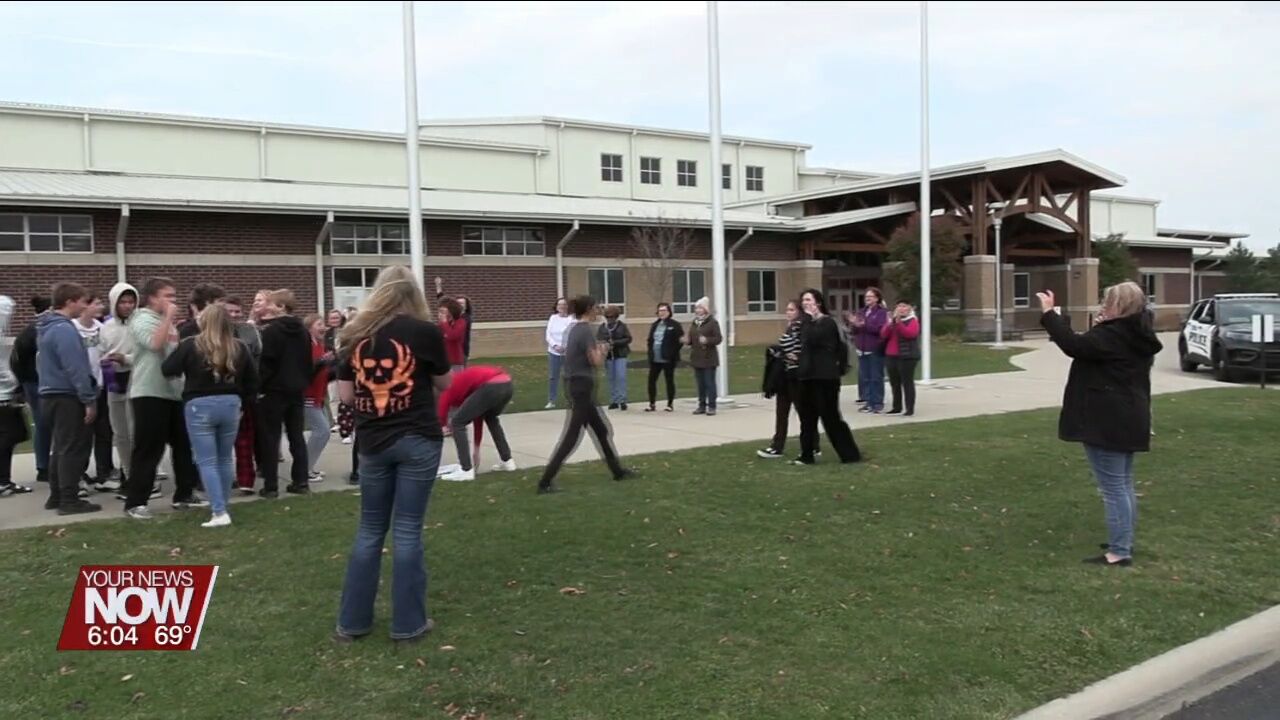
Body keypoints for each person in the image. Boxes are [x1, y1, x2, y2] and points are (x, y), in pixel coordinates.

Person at [334, 265, 451, 645]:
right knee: (407, 531)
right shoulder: (425, 333)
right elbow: (444, 383)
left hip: (372, 443)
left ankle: (352, 624)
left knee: (369, 531)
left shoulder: (354, 334)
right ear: (412, 294)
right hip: (417, 437)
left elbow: (347, 397)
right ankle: (408, 624)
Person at [1038, 283, 1162, 568]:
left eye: (1108, 302)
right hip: (1128, 416)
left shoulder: (1115, 335)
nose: (1102, 306)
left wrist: (1048, 314)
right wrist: (1099, 327)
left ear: (1120, 306)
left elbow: (1073, 345)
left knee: (1114, 487)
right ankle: (1123, 539)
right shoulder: (1134, 334)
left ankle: (1119, 551)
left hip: (1108, 420)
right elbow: (1090, 349)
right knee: (1123, 483)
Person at [162, 303, 258, 528]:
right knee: (224, 458)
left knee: (207, 460)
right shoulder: (239, 347)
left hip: (199, 404)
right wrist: (244, 402)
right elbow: (253, 381)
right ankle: (222, 504)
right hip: (231, 403)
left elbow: (168, 369)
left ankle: (219, 511)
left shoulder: (190, 345)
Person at [123, 277, 205, 519]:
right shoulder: (142, 319)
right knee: (149, 448)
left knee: (182, 446)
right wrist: (169, 318)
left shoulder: (167, 323)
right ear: (152, 298)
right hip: (150, 392)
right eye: (168, 296)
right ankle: (135, 502)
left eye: (174, 296)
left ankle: (184, 494)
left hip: (173, 392)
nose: (173, 301)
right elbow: (154, 345)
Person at [537, 295, 634, 494]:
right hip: (581, 386)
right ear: (588, 309)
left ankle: (617, 471)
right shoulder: (584, 331)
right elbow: (596, 361)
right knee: (571, 436)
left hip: (577, 385)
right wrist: (604, 348)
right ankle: (545, 482)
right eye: (596, 307)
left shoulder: (574, 330)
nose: (598, 310)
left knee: (601, 430)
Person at [36, 282, 101, 515]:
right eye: (83, 301)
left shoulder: (47, 328)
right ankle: (69, 499)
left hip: (49, 394)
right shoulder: (64, 330)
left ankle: (56, 496)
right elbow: (76, 367)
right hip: (66, 395)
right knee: (73, 448)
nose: (85, 306)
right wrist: (88, 399)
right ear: (70, 301)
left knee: (60, 447)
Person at [256, 289, 312, 498]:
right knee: (296, 436)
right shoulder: (303, 331)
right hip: (297, 389)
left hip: (273, 391)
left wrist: (260, 387)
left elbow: (267, 363)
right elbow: (307, 362)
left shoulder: (271, 332)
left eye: (271, 303)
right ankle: (301, 481)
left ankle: (270, 486)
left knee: (271, 438)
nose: (267, 307)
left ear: (281, 307)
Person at [794, 289, 861, 465]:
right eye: (803, 300)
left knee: (830, 418)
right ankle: (806, 455)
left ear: (818, 303)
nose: (805, 303)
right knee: (807, 419)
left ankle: (850, 455)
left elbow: (814, 338)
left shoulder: (827, 323)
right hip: (807, 376)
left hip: (825, 378)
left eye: (809, 300)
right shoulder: (805, 323)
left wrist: (808, 320)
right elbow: (803, 341)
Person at [757, 300, 820, 459]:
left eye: (791, 309)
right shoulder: (791, 327)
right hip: (784, 376)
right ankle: (777, 446)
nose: (788, 312)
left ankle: (813, 445)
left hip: (797, 377)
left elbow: (803, 347)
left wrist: (796, 356)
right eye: (787, 309)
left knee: (803, 413)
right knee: (781, 412)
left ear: (799, 311)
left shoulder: (801, 327)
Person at [436, 365, 518, 482]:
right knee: (491, 418)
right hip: (507, 384)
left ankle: (466, 470)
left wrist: (442, 425)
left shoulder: (448, 386)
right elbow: (478, 417)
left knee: (457, 423)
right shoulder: (465, 386)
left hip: (491, 385)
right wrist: (476, 450)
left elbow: (442, 407)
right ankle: (508, 462)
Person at [224, 296, 264, 494]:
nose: (233, 315)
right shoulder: (215, 333)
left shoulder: (249, 331)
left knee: (244, 440)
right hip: (222, 392)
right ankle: (225, 479)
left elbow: (257, 358)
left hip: (245, 391)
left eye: (237, 311)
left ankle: (246, 481)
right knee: (222, 441)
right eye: (229, 311)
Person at [76, 292, 116, 491]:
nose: (101, 306)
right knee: (83, 434)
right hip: (82, 388)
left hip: (102, 386)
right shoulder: (73, 328)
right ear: (85, 305)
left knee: (104, 432)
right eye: (96, 303)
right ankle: (79, 474)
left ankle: (104, 473)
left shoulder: (102, 328)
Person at [101, 282, 137, 493]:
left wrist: (126, 359)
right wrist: (107, 360)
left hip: (136, 379)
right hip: (113, 382)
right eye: (123, 302)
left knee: (135, 433)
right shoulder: (106, 327)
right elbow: (101, 350)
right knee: (120, 433)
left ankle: (141, 475)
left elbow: (146, 354)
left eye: (131, 301)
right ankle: (128, 473)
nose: (127, 306)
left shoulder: (140, 324)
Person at [10, 295, 51, 483]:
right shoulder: (37, 332)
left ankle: (45, 465)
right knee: (43, 425)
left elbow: (15, 361)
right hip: (36, 384)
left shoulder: (28, 332)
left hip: (33, 383)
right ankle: (43, 467)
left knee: (43, 425)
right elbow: (17, 362)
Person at [0, 295, 33, 497]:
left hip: (6, 392)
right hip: (2, 394)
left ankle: (4, 480)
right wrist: (12, 382)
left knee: (14, 434)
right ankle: (3, 480)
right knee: (12, 434)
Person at [303, 313, 334, 483]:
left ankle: (308, 467)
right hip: (308, 395)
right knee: (322, 431)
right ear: (309, 328)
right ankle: (304, 468)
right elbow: (307, 370)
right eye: (319, 324)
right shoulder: (307, 346)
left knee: (323, 432)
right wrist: (322, 361)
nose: (323, 327)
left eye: (324, 324)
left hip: (319, 395)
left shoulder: (320, 346)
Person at [848, 287, 888, 414]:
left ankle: (877, 403)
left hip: (875, 348)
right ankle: (868, 402)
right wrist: (854, 324)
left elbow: (880, 330)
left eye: (870, 297)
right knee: (865, 377)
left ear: (877, 299)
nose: (867, 299)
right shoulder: (861, 312)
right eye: (866, 297)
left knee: (876, 376)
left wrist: (865, 324)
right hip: (862, 348)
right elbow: (854, 331)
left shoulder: (882, 313)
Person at [881, 300, 922, 417]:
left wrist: (899, 323)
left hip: (907, 356)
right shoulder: (892, 321)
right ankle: (896, 407)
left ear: (909, 308)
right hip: (891, 355)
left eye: (904, 306)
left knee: (907, 382)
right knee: (894, 383)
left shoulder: (913, 321)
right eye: (899, 306)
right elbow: (884, 334)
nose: (901, 308)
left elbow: (910, 334)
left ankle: (909, 408)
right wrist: (890, 323)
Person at [686, 297, 723, 416]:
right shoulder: (694, 322)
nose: (698, 310)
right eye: (696, 308)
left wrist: (707, 340)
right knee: (700, 384)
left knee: (709, 383)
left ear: (705, 309)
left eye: (700, 308)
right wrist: (687, 341)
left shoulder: (712, 322)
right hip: (697, 357)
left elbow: (718, 338)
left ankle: (712, 406)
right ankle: (701, 405)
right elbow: (692, 339)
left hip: (709, 358)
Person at [644, 302, 683, 413]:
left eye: (664, 310)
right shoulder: (655, 325)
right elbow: (650, 340)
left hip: (668, 358)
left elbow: (680, 341)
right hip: (655, 358)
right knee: (651, 380)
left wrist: (672, 352)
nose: (661, 313)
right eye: (660, 311)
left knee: (669, 380)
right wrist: (650, 352)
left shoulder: (674, 325)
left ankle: (670, 404)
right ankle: (652, 404)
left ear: (669, 312)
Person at [597, 306, 632, 410]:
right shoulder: (602, 327)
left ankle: (622, 400)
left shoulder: (622, 326)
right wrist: (605, 344)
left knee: (621, 377)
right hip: (608, 356)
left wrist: (616, 343)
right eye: (607, 317)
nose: (609, 319)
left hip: (620, 354)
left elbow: (628, 338)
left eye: (612, 317)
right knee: (611, 378)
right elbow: (599, 339)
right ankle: (614, 400)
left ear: (616, 317)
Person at [434, 277, 475, 364]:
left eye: (462, 303)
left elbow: (452, 335)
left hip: (461, 351)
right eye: (458, 303)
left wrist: (444, 321)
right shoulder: (452, 318)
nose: (460, 305)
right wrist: (438, 286)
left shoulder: (465, 319)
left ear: (467, 306)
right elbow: (443, 302)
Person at [544, 298, 573, 410]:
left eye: (564, 304)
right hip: (553, 352)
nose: (562, 307)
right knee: (553, 377)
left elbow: (571, 335)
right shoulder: (553, 318)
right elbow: (548, 335)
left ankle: (570, 400)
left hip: (567, 352)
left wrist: (565, 347)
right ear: (556, 307)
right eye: (560, 305)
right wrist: (555, 346)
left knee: (568, 376)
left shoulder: (571, 319)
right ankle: (551, 400)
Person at [437, 298, 468, 373]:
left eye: (443, 312)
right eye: (439, 311)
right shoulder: (442, 324)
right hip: (443, 359)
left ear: (451, 311)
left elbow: (452, 336)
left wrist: (444, 322)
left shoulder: (460, 322)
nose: (440, 314)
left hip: (455, 360)